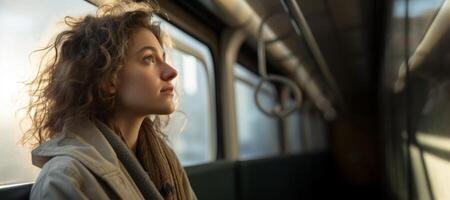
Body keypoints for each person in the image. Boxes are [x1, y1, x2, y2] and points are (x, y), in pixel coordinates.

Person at [22, 1, 197, 199]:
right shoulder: (65, 178)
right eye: (148, 58)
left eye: (163, 58)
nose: (171, 72)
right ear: (108, 78)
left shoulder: (166, 162)